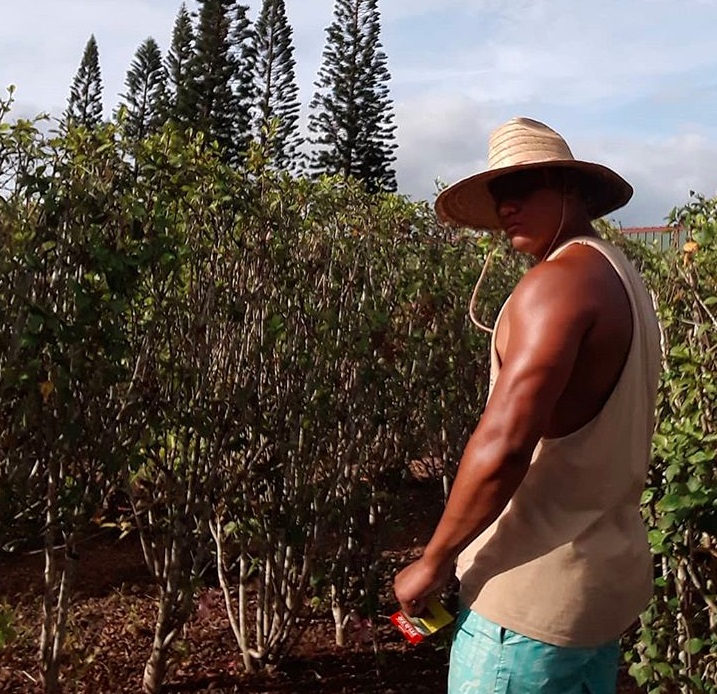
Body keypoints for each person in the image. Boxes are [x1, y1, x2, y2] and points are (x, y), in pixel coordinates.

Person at [393, 117, 661, 693]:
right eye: (498, 193)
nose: (506, 205)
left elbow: (505, 442)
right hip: (595, 594)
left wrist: (435, 560)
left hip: (524, 603)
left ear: (572, 189)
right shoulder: (622, 277)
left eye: (524, 186)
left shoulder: (555, 285)